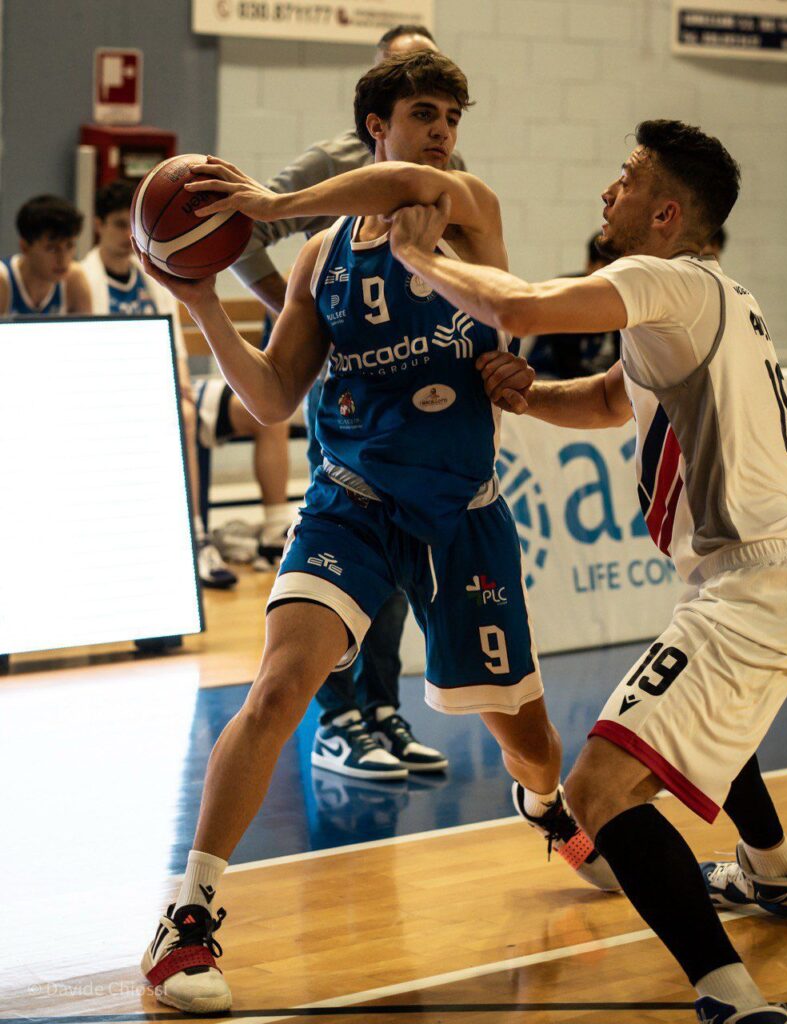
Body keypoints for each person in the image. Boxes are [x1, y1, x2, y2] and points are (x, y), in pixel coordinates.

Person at [135, 50, 617, 1014]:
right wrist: (202, 304)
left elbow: (416, 189)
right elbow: (273, 396)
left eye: (450, 117)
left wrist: (268, 204)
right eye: (423, 114)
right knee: (278, 687)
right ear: (375, 126)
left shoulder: (467, 210)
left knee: (529, 742)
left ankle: (541, 804)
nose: (441, 131)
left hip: (462, 515)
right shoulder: (323, 258)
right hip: (351, 502)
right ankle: (186, 917)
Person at [386, 119, 787, 1024]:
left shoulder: (664, 279)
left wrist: (416, 255)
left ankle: (732, 1000)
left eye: (625, 178)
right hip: (777, 568)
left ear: (665, 214)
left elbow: (518, 308)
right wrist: (528, 395)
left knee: (594, 790)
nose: (605, 192)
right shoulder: (710, 294)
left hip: (756, 583)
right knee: (690, 710)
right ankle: (774, 872)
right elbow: (611, 400)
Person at [232, 24, 459, 780]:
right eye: (411, 85)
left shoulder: (449, 169)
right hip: (349, 402)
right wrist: (304, 320)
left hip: (419, 412)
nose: (436, 121)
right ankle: (337, 719)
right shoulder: (331, 164)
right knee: (335, 558)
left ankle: (381, 708)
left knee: (392, 575)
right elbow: (247, 234)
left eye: (445, 105)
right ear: (376, 103)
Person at [81, 179, 237, 589]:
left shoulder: (152, 275)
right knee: (183, 416)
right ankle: (193, 533)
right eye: (118, 225)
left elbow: (176, 346)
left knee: (250, 410)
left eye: (130, 226)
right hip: (114, 395)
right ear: (98, 226)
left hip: (165, 385)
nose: (125, 235)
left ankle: (264, 528)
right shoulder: (84, 278)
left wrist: (180, 383)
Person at [526, 233, 618, 379]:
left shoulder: (619, 295)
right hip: (548, 373)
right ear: (589, 265)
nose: (613, 277)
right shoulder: (565, 293)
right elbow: (567, 365)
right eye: (607, 268)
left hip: (589, 376)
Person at [0, 195, 91, 316]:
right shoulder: (3, 281)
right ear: (25, 247)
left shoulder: (74, 279)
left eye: (69, 246)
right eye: (52, 249)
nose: (63, 259)